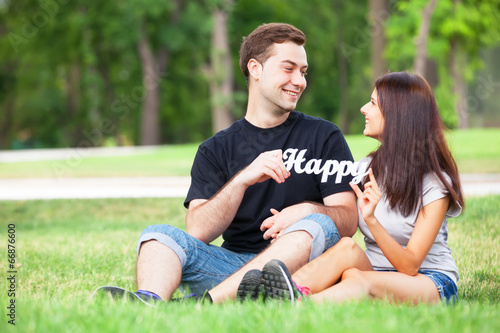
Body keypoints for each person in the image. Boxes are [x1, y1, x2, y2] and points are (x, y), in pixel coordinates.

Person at [93, 23, 360, 305]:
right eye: (288, 68)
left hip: (295, 271)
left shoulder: (324, 136)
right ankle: (149, 301)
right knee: (157, 235)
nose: (299, 81)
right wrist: (243, 179)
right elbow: (198, 230)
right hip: (228, 267)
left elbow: (347, 220)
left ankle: (206, 303)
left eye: (303, 72)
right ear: (255, 69)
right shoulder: (215, 149)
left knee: (317, 222)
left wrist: (306, 210)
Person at [239, 71, 465, 305]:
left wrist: (372, 221)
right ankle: (278, 292)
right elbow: (330, 207)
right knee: (347, 251)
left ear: (398, 114)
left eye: (373, 103)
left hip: (428, 280)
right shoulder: (365, 169)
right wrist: (291, 222)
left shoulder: (434, 184)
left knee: (359, 281)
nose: (363, 109)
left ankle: (294, 305)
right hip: (375, 272)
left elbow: (410, 265)